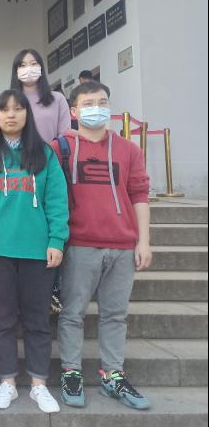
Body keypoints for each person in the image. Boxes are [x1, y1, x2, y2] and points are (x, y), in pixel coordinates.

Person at [0, 89, 69, 414]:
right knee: (1, 320)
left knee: (38, 320)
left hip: (37, 251)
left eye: (18, 109)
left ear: (27, 114)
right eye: (4, 109)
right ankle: (7, 382)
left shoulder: (44, 153)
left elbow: (57, 199)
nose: (11, 114)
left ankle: (39, 384)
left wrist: (57, 240)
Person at [54, 82, 152, 411]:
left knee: (115, 315)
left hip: (122, 245)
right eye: (88, 103)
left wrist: (143, 241)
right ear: (73, 111)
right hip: (80, 244)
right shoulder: (60, 148)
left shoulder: (128, 150)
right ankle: (71, 372)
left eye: (102, 102)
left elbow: (139, 194)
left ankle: (113, 375)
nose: (96, 108)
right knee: (72, 313)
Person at [10, 49, 71, 142]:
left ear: (41, 68)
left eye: (33, 64)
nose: (28, 68)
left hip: (52, 151)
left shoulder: (58, 99)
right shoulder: (8, 101)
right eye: (22, 65)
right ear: (16, 71)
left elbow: (65, 135)